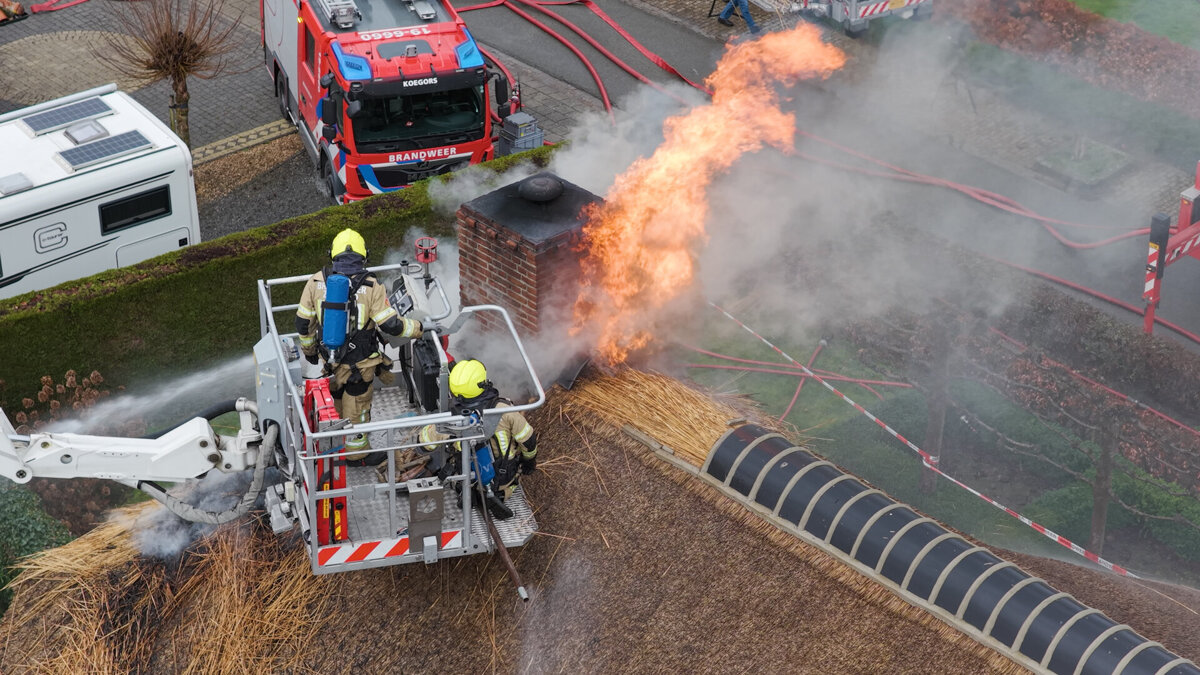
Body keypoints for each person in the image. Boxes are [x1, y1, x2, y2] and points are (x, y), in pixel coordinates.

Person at [295, 228, 428, 465]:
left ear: (332, 254)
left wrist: (310, 352)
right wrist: (418, 328)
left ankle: (335, 442)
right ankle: (356, 454)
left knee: (336, 397)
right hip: (360, 363)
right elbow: (391, 325)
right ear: (364, 256)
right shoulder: (372, 286)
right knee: (357, 404)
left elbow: (303, 323)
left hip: (330, 359)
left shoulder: (316, 281)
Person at [418, 359, 538, 520]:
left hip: (465, 480)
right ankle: (501, 494)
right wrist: (529, 462)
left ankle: (471, 494)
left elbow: (423, 445)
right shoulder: (504, 410)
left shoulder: (451, 417)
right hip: (502, 480)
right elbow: (528, 441)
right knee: (512, 476)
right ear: (483, 383)